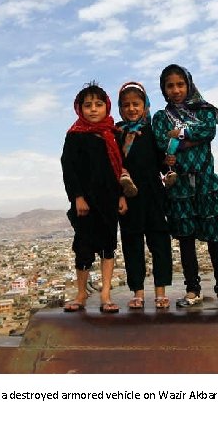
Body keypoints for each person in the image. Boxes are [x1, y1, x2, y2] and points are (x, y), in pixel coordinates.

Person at [151, 64, 218, 308]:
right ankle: (192, 289)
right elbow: (160, 138)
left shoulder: (205, 111)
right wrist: (187, 136)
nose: (176, 90)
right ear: (164, 89)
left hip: (205, 182)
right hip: (179, 186)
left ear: (188, 85)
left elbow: (207, 130)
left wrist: (177, 134)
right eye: (170, 86)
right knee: (186, 239)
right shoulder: (160, 117)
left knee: (214, 237)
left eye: (180, 84)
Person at [61, 81, 127, 313]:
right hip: (85, 203)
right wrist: (77, 196)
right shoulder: (74, 136)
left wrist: (121, 196)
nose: (93, 109)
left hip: (109, 199)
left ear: (107, 107)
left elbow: (119, 168)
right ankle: (81, 293)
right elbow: (69, 169)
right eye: (87, 105)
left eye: (98, 104)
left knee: (108, 246)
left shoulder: (113, 134)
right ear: (79, 108)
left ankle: (105, 294)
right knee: (84, 247)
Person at [116, 82, 173, 310]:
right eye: (126, 105)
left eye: (136, 104)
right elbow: (113, 166)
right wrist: (119, 196)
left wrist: (169, 165)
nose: (131, 109)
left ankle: (160, 291)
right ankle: (138, 292)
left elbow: (162, 162)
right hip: (129, 197)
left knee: (159, 242)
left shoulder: (153, 132)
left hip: (154, 195)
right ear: (120, 108)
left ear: (145, 105)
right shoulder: (117, 134)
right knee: (132, 244)